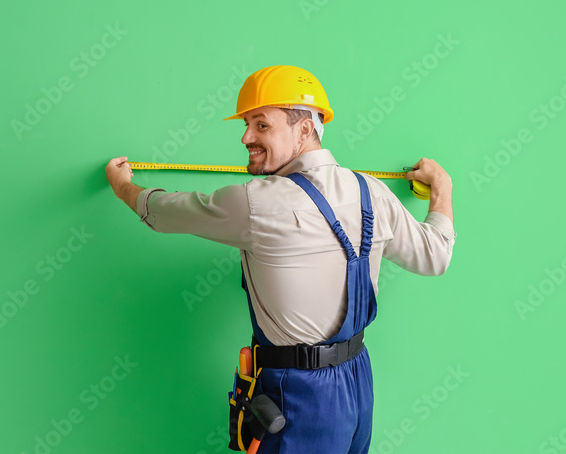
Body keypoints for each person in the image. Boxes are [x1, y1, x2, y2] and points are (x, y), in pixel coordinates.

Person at [105, 65, 455, 453]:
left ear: (305, 129)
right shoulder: (372, 192)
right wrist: (442, 189)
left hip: (298, 394)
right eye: (246, 124)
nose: (245, 137)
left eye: (261, 125)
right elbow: (435, 256)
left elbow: (164, 212)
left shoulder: (254, 202)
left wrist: (123, 186)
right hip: (358, 384)